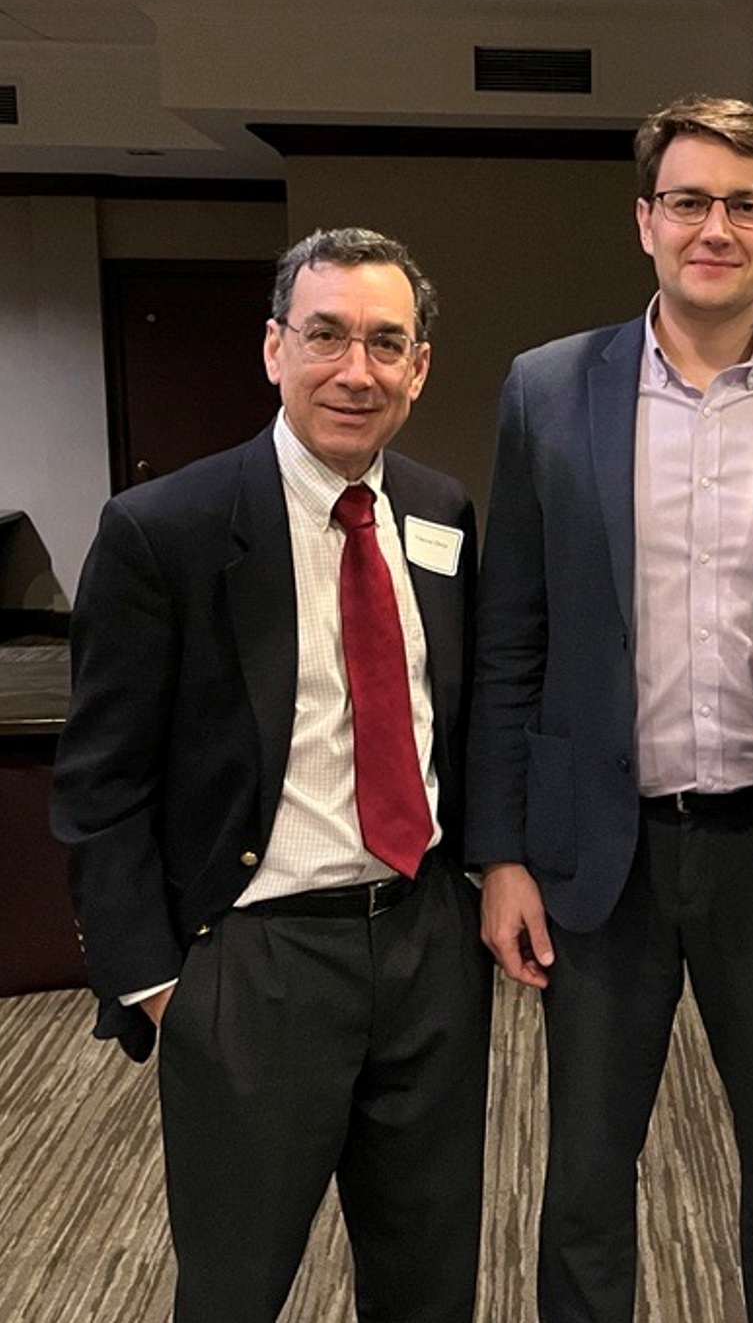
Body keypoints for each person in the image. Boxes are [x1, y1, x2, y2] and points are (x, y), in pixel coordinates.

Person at [468, 95, 753, 1323]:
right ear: (645, 221)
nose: (716, 226)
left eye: (746, 205)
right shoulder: (548, 388)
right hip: (595, 859)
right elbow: (512, 638)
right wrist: (499, 850)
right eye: (689, 201)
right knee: (590, 1180)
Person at [52, 228, 490, 1321]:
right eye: (327, 335)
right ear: (272, 349)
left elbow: (464, 722)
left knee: (430, 1274)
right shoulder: (166, 530)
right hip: (257, 958)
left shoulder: (440, 514)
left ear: (420, 366)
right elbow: (99, 781)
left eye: (386, 343)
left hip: (428, 941)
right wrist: (151, 979)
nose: (357, 370)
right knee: (238, 1282)